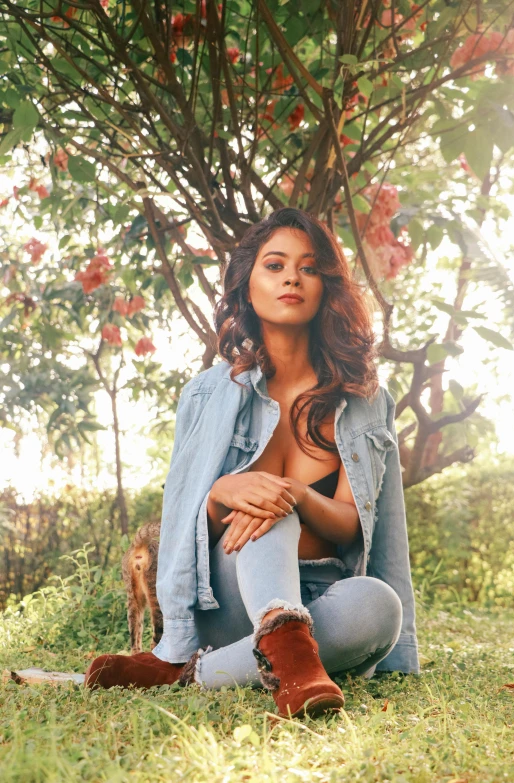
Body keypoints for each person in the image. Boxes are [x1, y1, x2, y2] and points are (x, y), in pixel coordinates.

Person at [85, 207, 420, 717]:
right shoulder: (206, 393)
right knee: (269, 502)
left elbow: (368, 528)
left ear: (327, 286)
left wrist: (302, 495)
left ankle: (218, 670)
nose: (292, 277)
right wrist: (221, 493)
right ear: (247, 287)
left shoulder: (365, 399)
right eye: (275, 265)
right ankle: (283, 653)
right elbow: (183, 519)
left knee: (379, 604)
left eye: (309, 268)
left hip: (324, 599)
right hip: (232, 597)